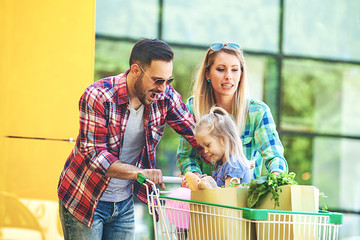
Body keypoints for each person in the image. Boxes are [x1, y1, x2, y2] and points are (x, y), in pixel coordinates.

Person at [57, 38, 206, 240]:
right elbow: (95, 156)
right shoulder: (98, 96)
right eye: (158, 80)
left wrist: (225, 158)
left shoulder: (164, 95)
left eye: (168, 80)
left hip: (124, 202)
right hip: (85, 198)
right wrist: (140, 173)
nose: (163, 88)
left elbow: (195, 132)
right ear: (135, 70)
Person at [177, 42, 288, 181]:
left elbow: (274, 155)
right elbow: (186, 156)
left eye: (234, 70)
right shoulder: (194, 108)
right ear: (207, 74)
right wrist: (197, 178)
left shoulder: (258, 112)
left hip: (245, 199)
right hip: (204, 199)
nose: (229, 76)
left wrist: (276, 179)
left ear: (241, 75)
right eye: (221, 69)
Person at [193, 106, 251, 187]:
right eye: (203, 147)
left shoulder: (234, 164)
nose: (205, 151)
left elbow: (227, 195)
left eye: (207, 145)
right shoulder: (220, 164)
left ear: (223, 139)